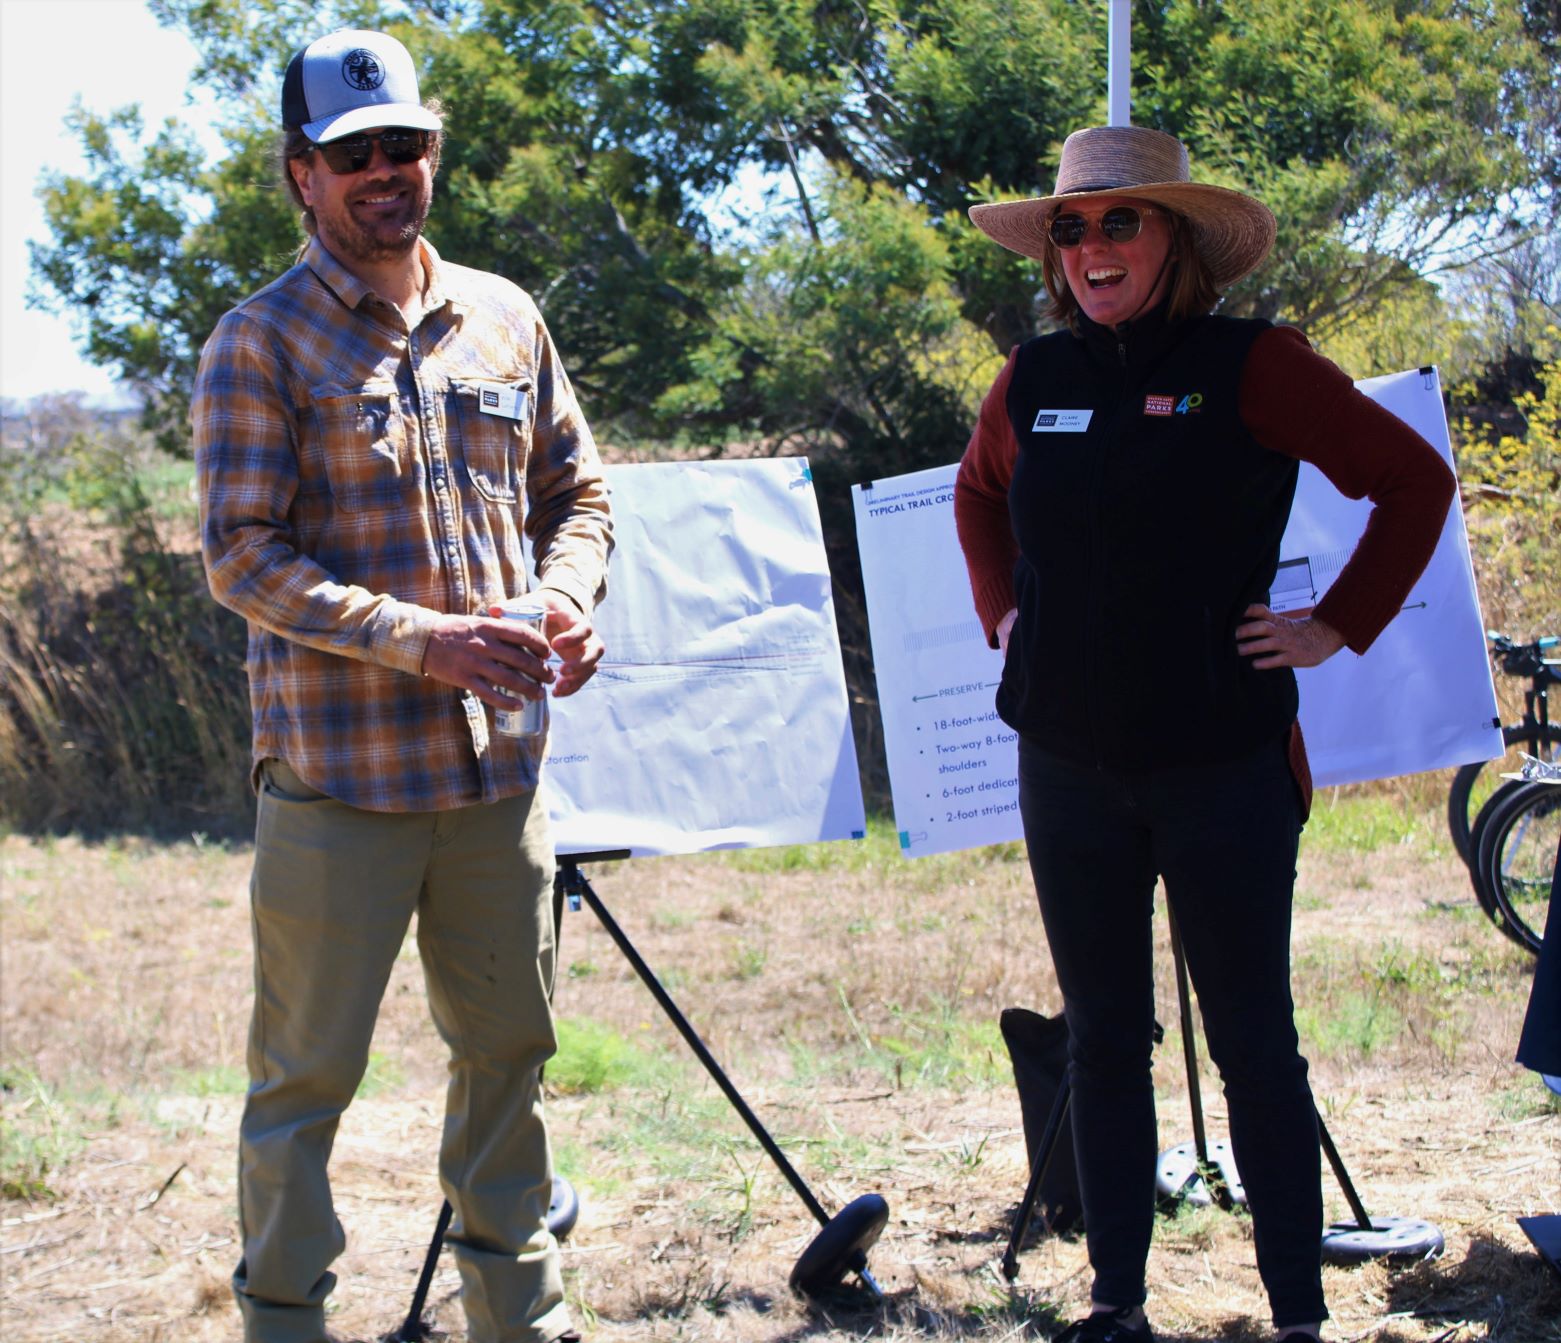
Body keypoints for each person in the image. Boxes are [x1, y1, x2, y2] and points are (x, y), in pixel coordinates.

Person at [955, 125, 1455, 1343]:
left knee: (1251, 1044)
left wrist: (1336, 623)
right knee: (1107, 1037)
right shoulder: (1034, 377)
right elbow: (977, 493)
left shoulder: (1254, 364)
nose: (1089, 248)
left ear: (1175, 238)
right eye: (1070, 229)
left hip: (1222, 761)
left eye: (1118, 222)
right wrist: (1002, 605)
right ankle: (1117, 1304)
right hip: (1064, 763)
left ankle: (1294, 1315)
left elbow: (1413, 483)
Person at [192, 28, 611, 1343]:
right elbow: (241, 556)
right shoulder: (257, 342)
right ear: (299, 174)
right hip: (340, 790)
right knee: (304, 1078)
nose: (385, 170)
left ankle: (518, 1319)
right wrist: (421, 638)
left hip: (497, 782)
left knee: (508, 1061)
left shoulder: (506, 315)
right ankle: (282, 1320)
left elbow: (577, 494)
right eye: (352, 152)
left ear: (432, 154)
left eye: (405, 146)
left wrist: (565, 600)